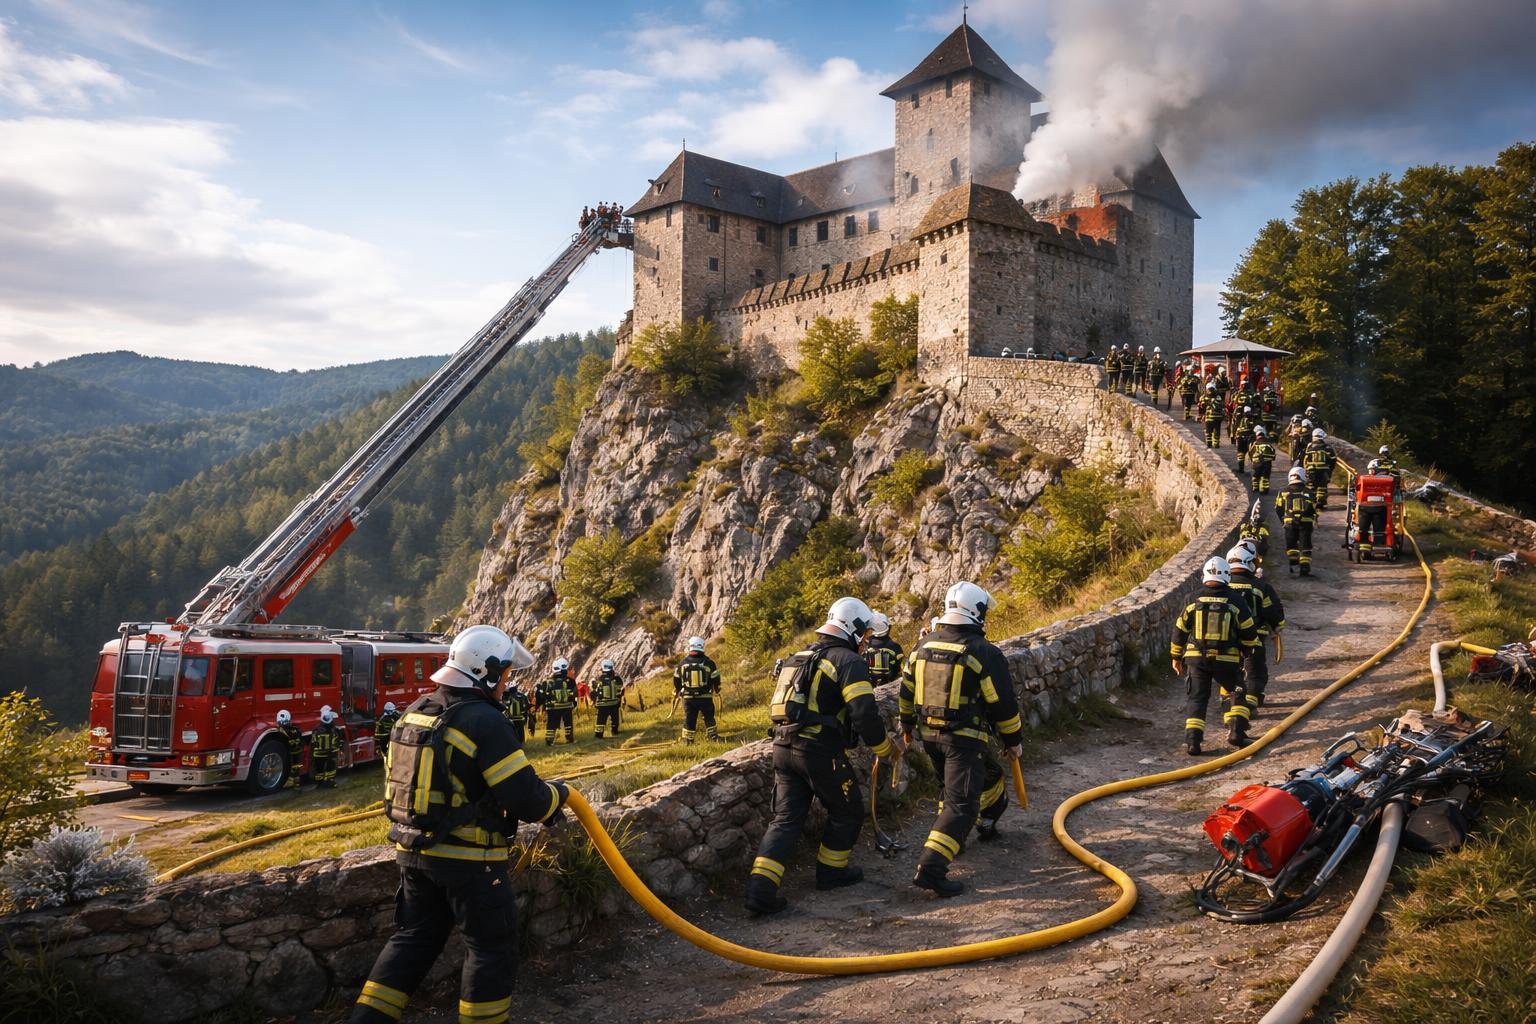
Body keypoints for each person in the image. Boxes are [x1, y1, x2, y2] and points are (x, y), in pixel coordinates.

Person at [351, 625, 565, 1024]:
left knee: (414, 940)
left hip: (413, 856)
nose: (507, 683)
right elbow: (527, 799)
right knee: (491, 949)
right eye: (505, 675)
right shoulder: (485, 720)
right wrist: (561, 795)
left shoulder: (418, 710)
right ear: (486, 671)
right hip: (471, 861)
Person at [746, 598, 902, 915]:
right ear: (854, 629)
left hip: (783, 748)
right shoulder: (848, 661)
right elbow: (863, 713)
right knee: (847, 812)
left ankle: (760, 892)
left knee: (786, 819)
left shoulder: (797, 657)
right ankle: (831, 873)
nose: (868, 640)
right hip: (819, 751)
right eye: (866, 634)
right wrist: (884, 749)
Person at [901, 581, 1025, 896]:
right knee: (962, 805)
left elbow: (906, 690)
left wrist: (905, 725)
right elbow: (1002, 704)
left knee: (952, 790)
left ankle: (956, 841)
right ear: (977, 613)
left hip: (929, 737)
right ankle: (931, 869)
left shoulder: (922, 646)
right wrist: (1013, 740)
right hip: (964, 741)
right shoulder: (984, 652)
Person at [1171, 557, 1261, 754]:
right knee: (1236, 692)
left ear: (1204, 575)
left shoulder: (1192, 599)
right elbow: (1248, 631)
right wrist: (1247, 651)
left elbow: (1179, 630)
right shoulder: (1236, 600)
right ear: (1227, 576)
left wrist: (1176, 657)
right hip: (1227, 659)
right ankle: (1237, 732)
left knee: (1197, 698)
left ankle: (1193, 742)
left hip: (1196, 659)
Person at [1225, 545, 1285, 714]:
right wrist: (1278, 626)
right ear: (1249, 562)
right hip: (1255, 638)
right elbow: (1273, 611)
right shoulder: (1260, 587)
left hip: (1227, 640)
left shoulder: (1223, 586)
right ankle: (1252, 702)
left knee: (1229, 672)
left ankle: (1231, 705)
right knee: (1255, 672)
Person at [674, 636, 721, 744]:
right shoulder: (709, 663)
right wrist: (716, 689)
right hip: (705, 697)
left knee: (689, 718)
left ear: (690, 647)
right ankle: (713, 737)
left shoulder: (682, 663)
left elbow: (676, 679)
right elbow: (716, 678)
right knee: (709, 717)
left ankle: (688, 740)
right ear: (702, 647)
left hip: (688, 698)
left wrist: (678, 691)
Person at [1277, 467, 1318, 575]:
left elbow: (1278, 508)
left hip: (1290, 522)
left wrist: (1284, 521)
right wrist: (1313, 518)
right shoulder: (1309, 492)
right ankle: (1305, 567)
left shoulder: (1283, 492)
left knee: (1291, 543)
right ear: (1303, 476)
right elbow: (1314, 507)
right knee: (1306, 545)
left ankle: (1293, 563)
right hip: (1306, 522)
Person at [537, 659, 578, 746]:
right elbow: (575, 694)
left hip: (552, 707)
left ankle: (549, 741)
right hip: (567, 706)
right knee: (568, 723)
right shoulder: (570, 681)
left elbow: (541, 695)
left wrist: (544, 705)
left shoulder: (547, 682)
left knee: (551, 724)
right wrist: (574, 703)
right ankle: (569, 739)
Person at [862, 612, 904, 686]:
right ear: (888, 628)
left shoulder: (863, 646)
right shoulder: (895, 647)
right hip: (891, 688)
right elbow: (902, 669)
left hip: (867, 688)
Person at [591, 659, 624, 739]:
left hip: (602, 705)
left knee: (601, 720)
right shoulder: (617, 679)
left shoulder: (598, 680)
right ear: (612, 667)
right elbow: (620, 688)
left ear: (602, 668)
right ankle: (614, 731)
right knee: (615, 719)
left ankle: (599, 735)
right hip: (614, 703)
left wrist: (594, 701)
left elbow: (594, 691)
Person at [1303, 428, 1334, 510]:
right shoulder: (1328, 447)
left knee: (1311, 486)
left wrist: (1305, 469)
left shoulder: (1309, 446)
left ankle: (1310, 503)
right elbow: (1333, 459)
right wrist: (1330, 470)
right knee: (1322, 487)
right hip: (1324, 471)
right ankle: (1320, 504)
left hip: (1311, 470)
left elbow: (1305, 459)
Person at [312, 706, 342, 788]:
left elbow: (313, 742)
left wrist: (313, 754)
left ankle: (320, 784)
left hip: (318, 755)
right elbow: (336, 742)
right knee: (330, 769)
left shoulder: (316, 730)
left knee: (319, 770)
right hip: (330, 754)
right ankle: (330, 782)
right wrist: (338, 750)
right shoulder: (334, 730)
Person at [276, 709, 305, 788]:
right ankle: (297, 786)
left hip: (291, 752)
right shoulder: (296, 729)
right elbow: (301, 740)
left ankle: (291, 782)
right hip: (298, 751)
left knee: (292, 766)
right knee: (296, 767)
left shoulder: (282, 732)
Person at [1239, 499, 1271, 565]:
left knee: (1264, 547)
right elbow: (1241, 535)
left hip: (1257, 546)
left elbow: (1266, 538)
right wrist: (1246, 534)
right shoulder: (1246, 526)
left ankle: (1260, 558)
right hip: (1247, 544)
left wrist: (1260, 537)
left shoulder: (1263, 528)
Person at [500, 681, 530, 746]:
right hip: (520, 717)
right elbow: (527, 706)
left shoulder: (508, 697)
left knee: (512, 731)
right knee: (520, 730)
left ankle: (513, 743)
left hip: (511, 718)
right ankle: (521, 743)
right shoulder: (523, 696)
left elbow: (505, 706)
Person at [1249, 426, 1276, 494]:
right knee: (1265, 477)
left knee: (1256, 475)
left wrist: (1252, 460)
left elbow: (1250, 453)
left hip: (1256, 463)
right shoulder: (1268, 444)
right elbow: (1273, 452)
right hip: (1266, 464)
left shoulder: (1254, 444)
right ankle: (1264, 490)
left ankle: (1255, 488)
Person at [374, 702, 401, 770]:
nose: (392, 712)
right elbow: (377, 735)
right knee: (388, 757)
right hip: (385, 741)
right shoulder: (382, 720)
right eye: (391, 711)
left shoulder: (393, 717)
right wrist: (377, 747)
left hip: (391, 739)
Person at [1199, 383, 1224, 448]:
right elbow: (1221, 405)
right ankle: (1216, 444)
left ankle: (1209, 443)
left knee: (1208, 430)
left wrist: (1201, 415)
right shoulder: (1218, 396)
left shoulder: (1204, 396)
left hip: (1209, 417)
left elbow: (1201, 407)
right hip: (1218, 417)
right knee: (1217, 430)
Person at [1234, 405, 1258, 471]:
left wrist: (1233, 436)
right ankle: (1255, 468)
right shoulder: (1250, 419)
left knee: (1240, 454)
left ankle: (1241, 468)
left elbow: (1235, 427)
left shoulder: (1239, 418)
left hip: (1239, 437)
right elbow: (1254, 427)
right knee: (1251, 452)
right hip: (1248, 437)